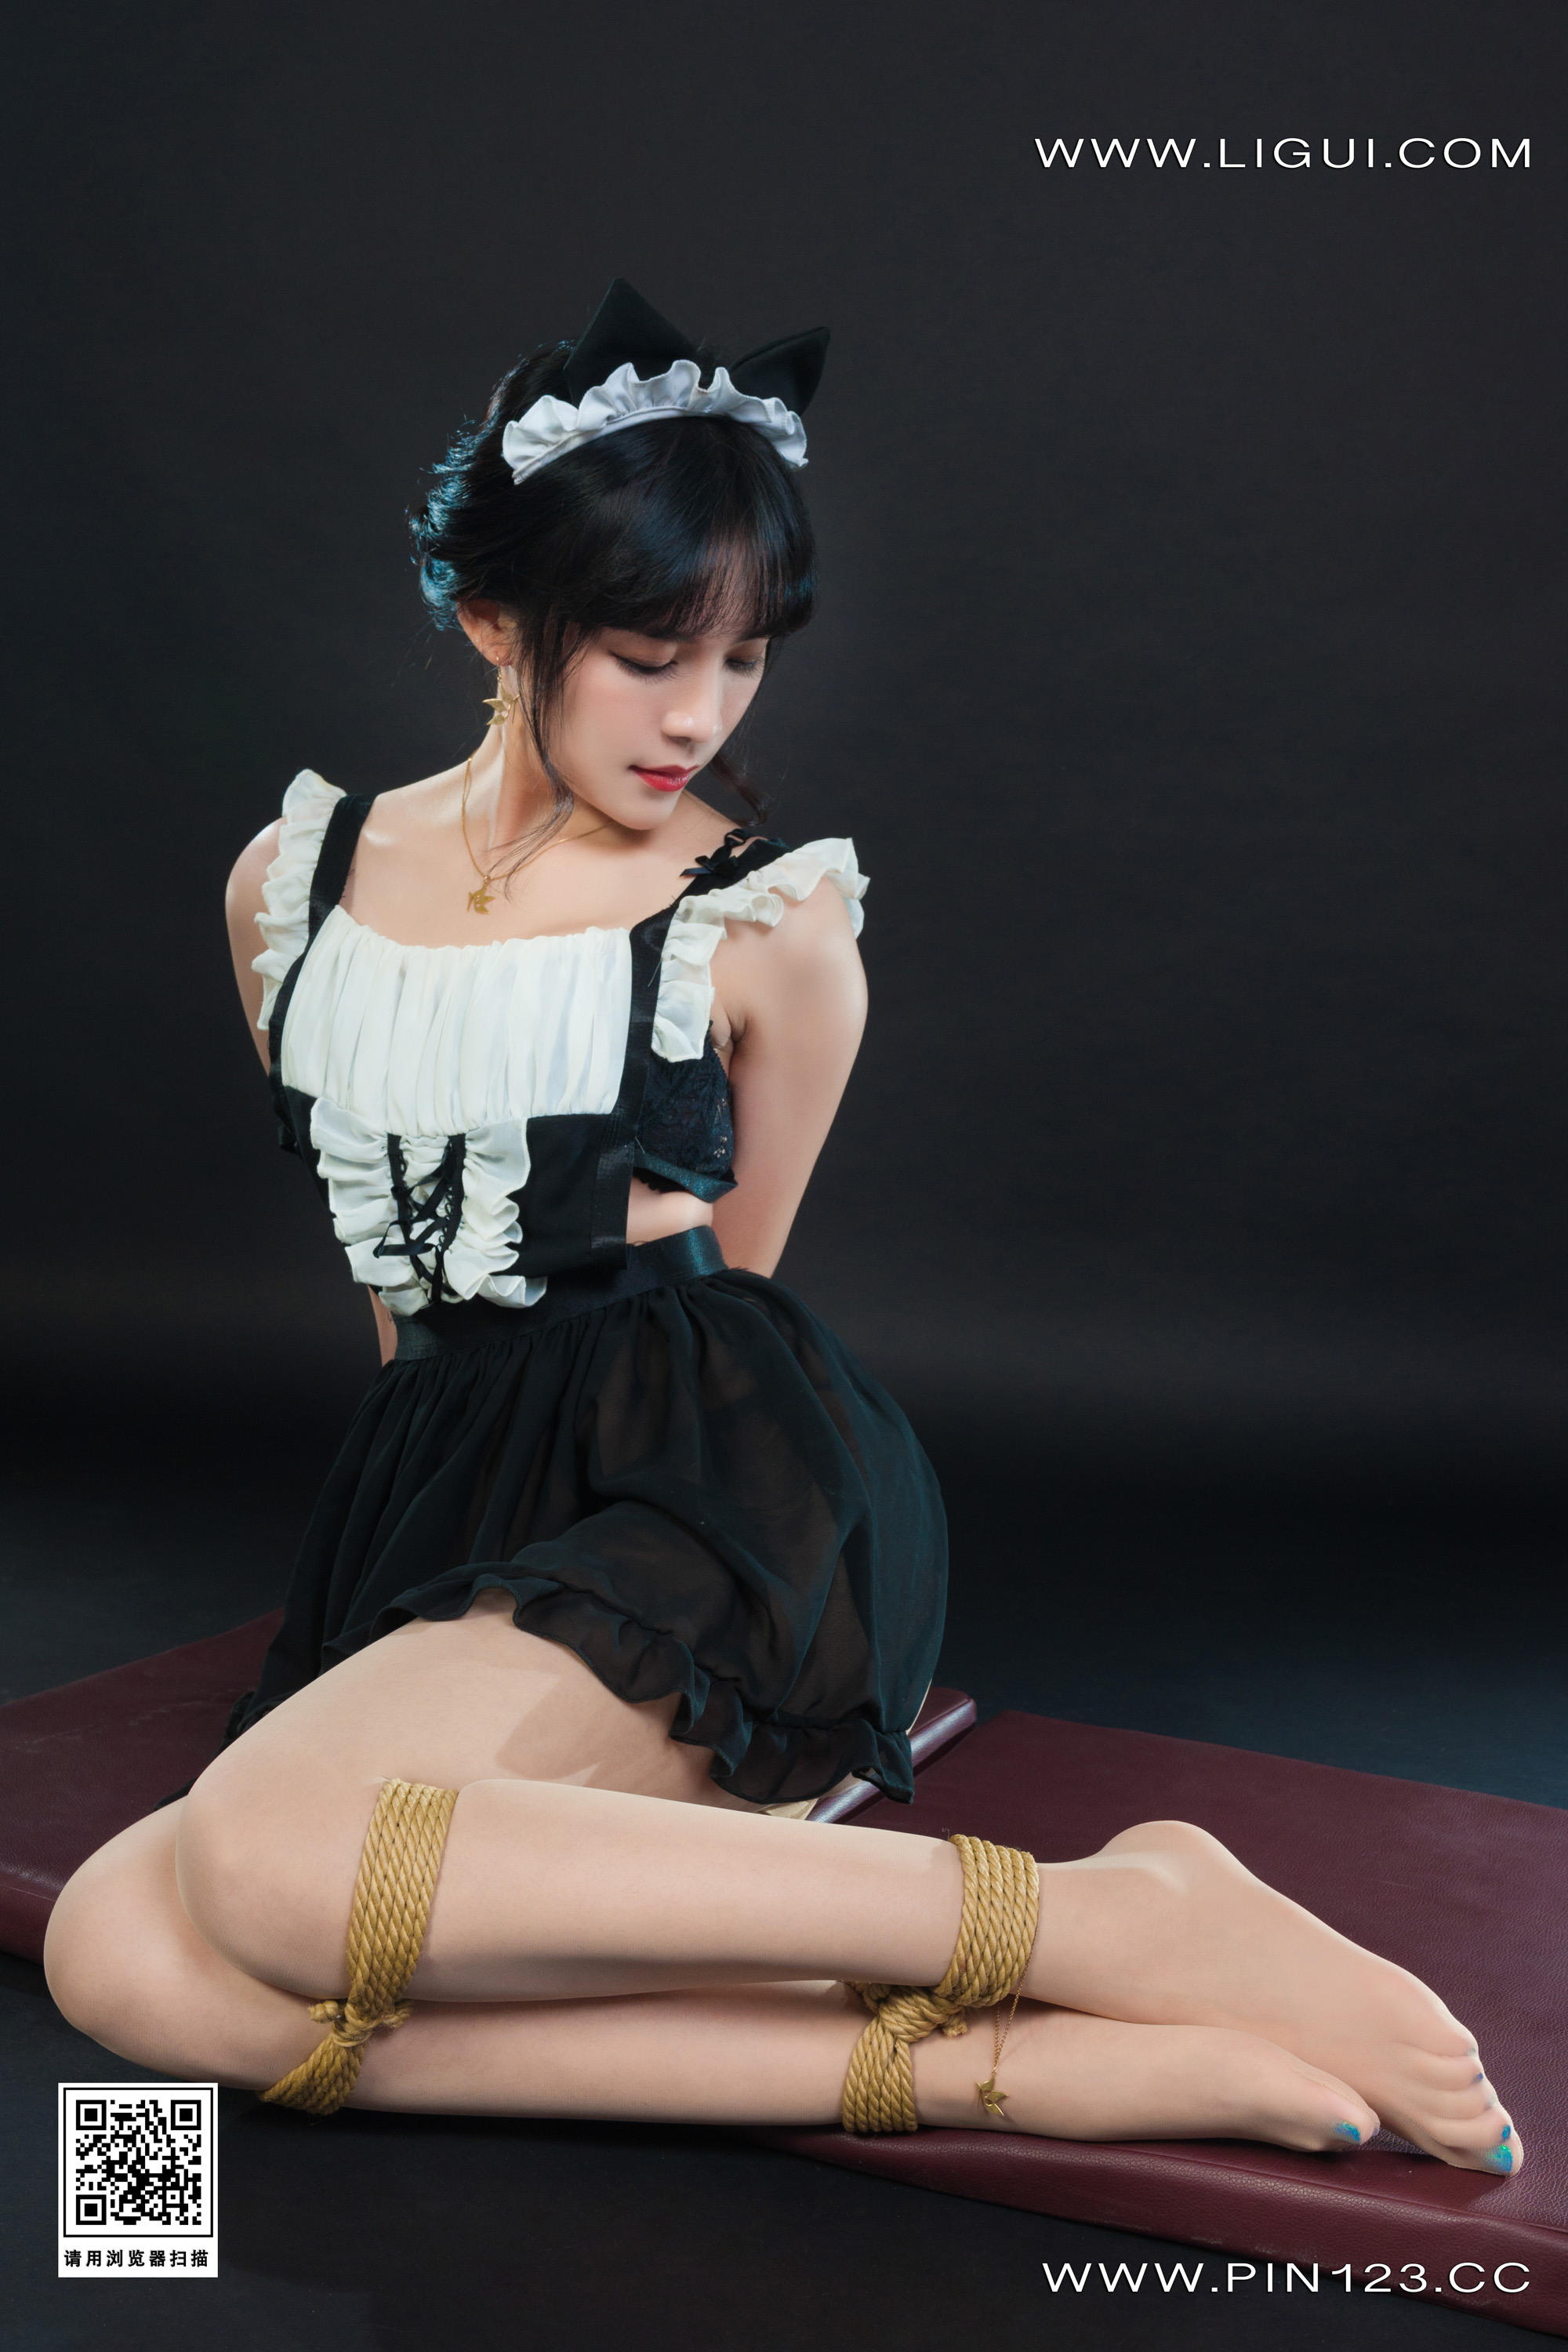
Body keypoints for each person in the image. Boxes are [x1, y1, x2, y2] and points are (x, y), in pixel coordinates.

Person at [42, 282, 1518, 2174]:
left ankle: (1101, 1923)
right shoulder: (291, 891)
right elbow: (396, 1297)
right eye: (650, 653)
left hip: (708, 1507)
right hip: (444, 1497)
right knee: (121, 1950)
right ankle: (996, 2068)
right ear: (494, 619)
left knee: (264, 1865)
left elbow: (729, 1299)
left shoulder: (766, 925)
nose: (701, 715)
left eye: (743, 660)